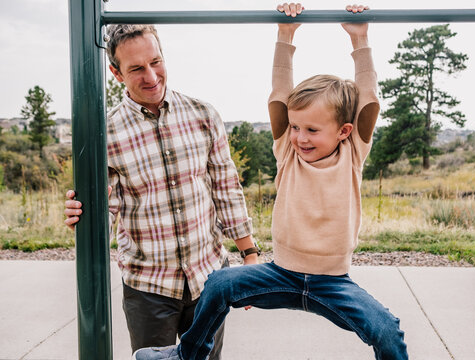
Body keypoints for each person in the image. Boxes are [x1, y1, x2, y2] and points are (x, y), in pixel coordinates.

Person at [132, 3, 408, 360]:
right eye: (295, 127)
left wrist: (360, 38)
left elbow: (368, 98)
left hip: (334, 283)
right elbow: (280, 93)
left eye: (311, 129)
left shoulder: (352, 154)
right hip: (281, 274)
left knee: (387, 330)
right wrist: (285, 34)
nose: (300, 137)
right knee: (218, 284)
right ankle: (186, 356)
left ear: (344, 131)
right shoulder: (288, 152)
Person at [63, 24, 259, 358]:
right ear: (116, 73)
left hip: (208, 277)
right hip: (148, 287)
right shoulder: (104, 132)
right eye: (136, 68)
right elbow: (102, 206)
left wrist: (249, 255)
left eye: (156, 62)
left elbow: (226, 189)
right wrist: (79, 214)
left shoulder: (203, 114)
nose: (151, 76)